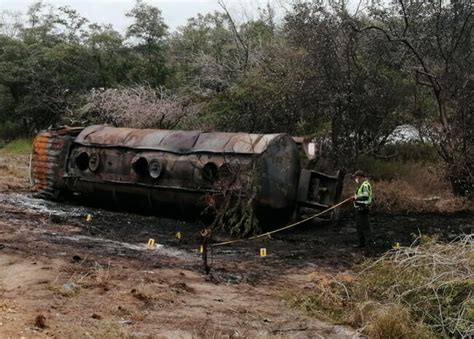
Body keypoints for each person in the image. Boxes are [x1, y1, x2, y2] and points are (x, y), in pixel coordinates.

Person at [352, 170, 373, 248]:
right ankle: (361, 243)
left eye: (356, 177)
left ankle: (369, 245)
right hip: (358, 208)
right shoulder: (361, 185)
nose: (355, 179)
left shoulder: (365, 185)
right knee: (359, 226)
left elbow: (365, 196)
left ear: (360, 176)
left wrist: (356, 198)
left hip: (363, 208)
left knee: (365, 227)